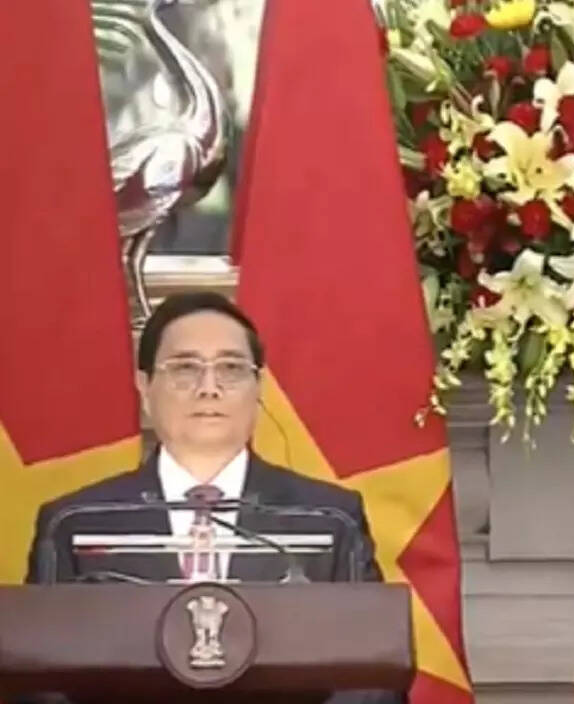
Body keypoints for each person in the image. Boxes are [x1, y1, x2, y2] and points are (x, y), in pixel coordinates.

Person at [22, 291, 400, 704]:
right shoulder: (77, 522)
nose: (209, 388)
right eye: (185, 368)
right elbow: (39, 682)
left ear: (259, 387)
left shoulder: (328, 520)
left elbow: (373, 676)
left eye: (231, 369)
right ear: (145, 387)